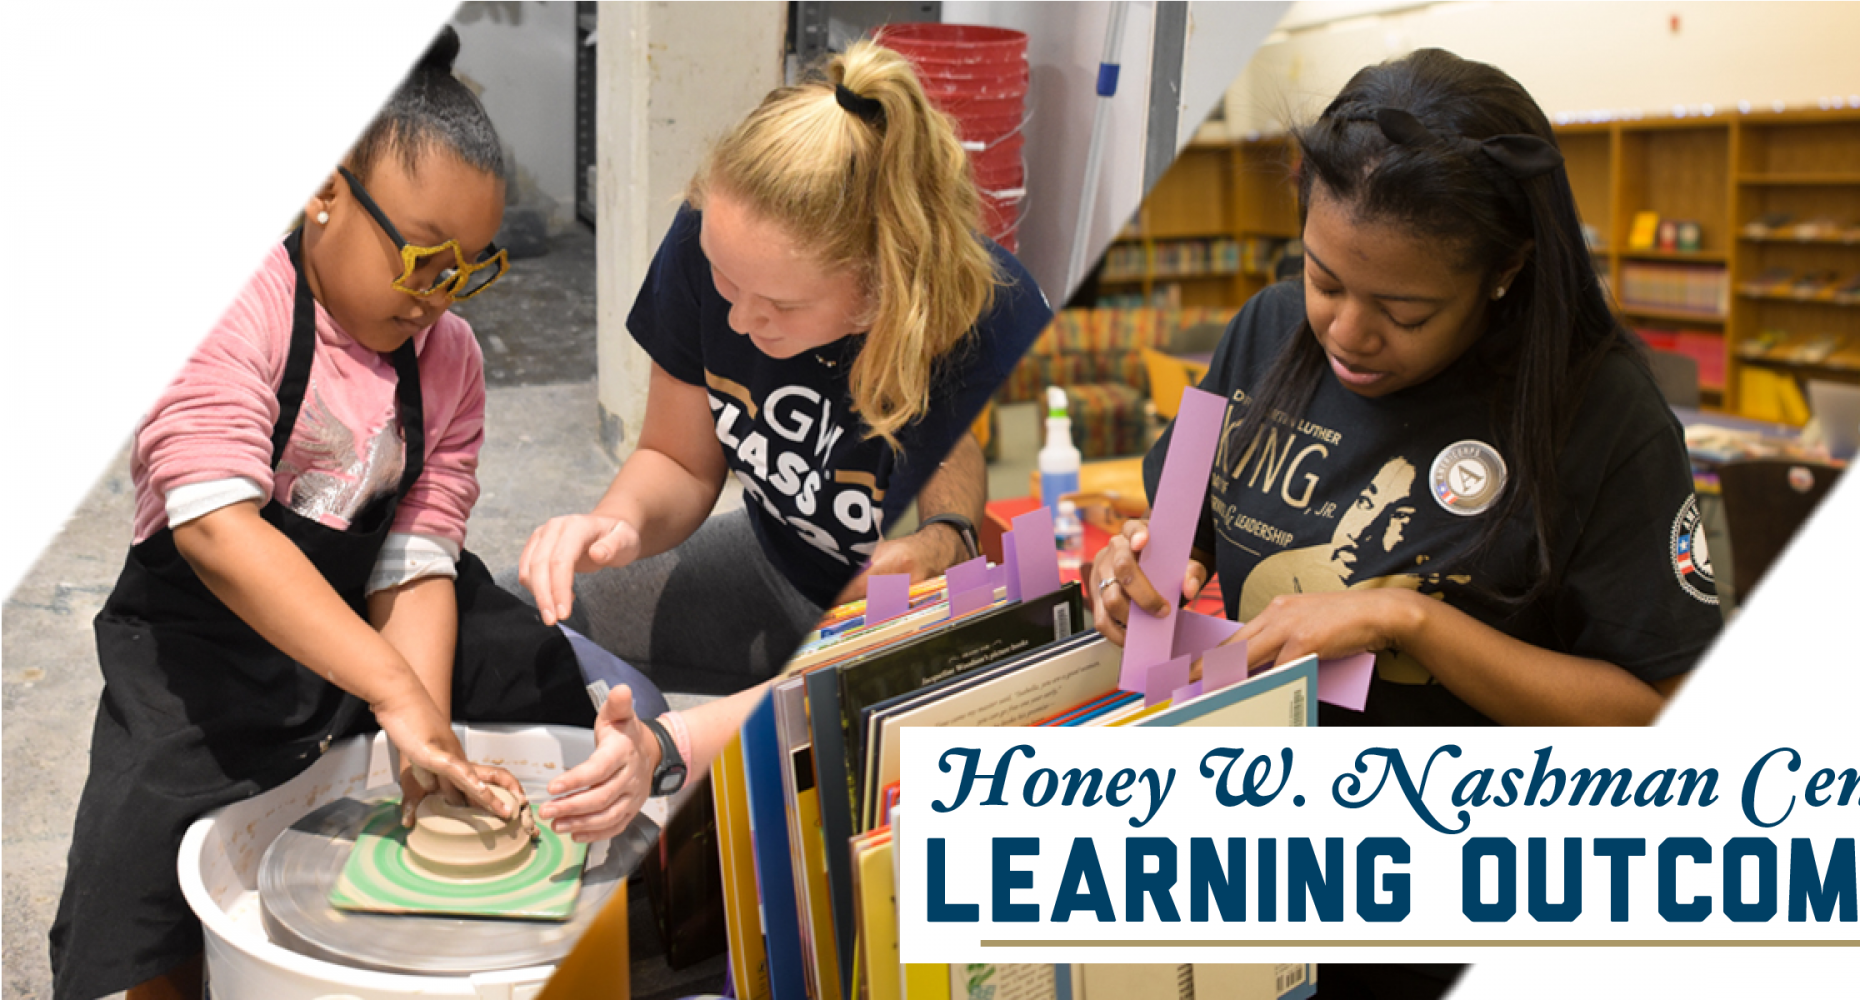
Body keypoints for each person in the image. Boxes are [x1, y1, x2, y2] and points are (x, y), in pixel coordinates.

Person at [1087, 49, 1724, 999]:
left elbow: (1660, 717)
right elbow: (1175, 529)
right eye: (1324, 277)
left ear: (1503, 271)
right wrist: (1130, 567)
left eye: (1404, 310)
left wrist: (1408, 619)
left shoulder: (1603, 417)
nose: (1345, 331)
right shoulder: (1262, 329)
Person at [46, 30, 657, 1000]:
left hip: (366, 613)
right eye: (423, 257)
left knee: (540, 670)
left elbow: (415, 560)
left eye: (470, 269)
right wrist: (399, 694)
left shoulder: (449, 359)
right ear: (324, 189)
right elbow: (215, 530)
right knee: (132, 888)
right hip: (210, 639)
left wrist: (425, 742)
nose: (439, 293)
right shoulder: (229, 303)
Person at [516, 40, 1050, 716]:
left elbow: (1001, 547)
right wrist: (617, 525)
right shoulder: (710, 236)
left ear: (881, 286)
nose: (737, 320)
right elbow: (676, 459)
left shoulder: (996, 318)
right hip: (777, 568)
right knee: (501, 621)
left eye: (779, 305)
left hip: (906, 627)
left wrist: (941, 543)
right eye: (723, 280)